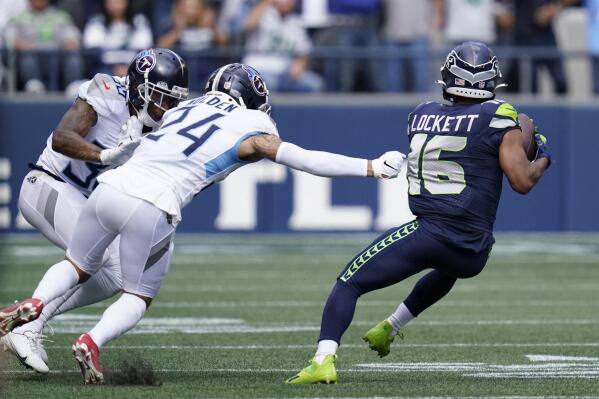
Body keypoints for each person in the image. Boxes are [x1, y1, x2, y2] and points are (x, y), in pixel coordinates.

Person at [0, 63, 405, 384]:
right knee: (137, 295)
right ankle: (92, 339)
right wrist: (368, 167)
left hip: (107, 189)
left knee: (77, 264)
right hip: (153, 202)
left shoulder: (185, 107)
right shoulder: (252, 124)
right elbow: (302, 157)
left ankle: (35, 303)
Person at [286, 41, 552, 384]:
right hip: (474, 250)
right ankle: (391, 327)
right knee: (447, 267)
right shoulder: (500, 116)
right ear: (492, 80)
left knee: (349, 282)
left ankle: (323, 359)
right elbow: (522, 180)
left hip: (429, 233)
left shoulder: (421, 114)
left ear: (446, 77)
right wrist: (541, 152)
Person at [0, 48, 189, 374]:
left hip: (88, 202)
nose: (166, 108)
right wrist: (106, 157)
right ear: (138, 88)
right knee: (99, 257)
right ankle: (26, 327)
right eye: (159, 98)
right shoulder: (106, 91)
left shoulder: (165, 127)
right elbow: (62, 137)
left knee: (119, 272)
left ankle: (27, 322)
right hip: (47, 185)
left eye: (172, 101)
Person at [243, 0, 324, 92]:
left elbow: (304, 51)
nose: (287, 2)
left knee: (314, 83)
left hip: (284, 73)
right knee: (270, 83)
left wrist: (300, 63)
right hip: (257, 69)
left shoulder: (295, 21)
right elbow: (247, 26)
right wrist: (265, 2)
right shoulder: (264, 13)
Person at [4, 0, 83, 93]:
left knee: (72, 55)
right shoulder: (18, 16)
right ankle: (34, 86)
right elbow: (8, 37)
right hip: (30, 56)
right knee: (27, 56)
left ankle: (73, 87)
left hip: (57, 57)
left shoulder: (60, 16)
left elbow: (73, 35)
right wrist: (19, 43)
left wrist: (71, 41)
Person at [82, 0, 153, 76]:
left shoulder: (139, 21)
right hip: (103, 71)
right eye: (112, 2)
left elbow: (145, 52)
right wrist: (113, 69)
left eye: (120, 1)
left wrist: (128, 68)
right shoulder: (96, 21)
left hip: (134, 71)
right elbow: (92, 54)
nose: (116, 5)